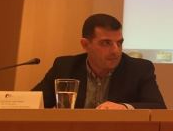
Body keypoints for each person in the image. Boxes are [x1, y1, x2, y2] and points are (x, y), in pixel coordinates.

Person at [33, 13, 166, 109]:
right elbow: (32, 103)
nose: (116, 51)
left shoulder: (138, 69)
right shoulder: (65, 67)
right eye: (106, 43)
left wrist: (124, 108)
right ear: (85, 44)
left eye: (119, 43)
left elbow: (158, 107)